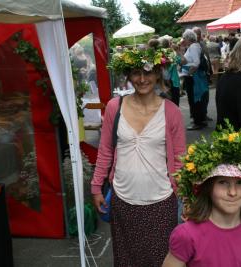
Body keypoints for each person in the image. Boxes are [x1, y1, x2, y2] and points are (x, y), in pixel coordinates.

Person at [91, 47, 187, 266]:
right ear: (128, 76)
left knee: (163, 259)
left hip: (162, 201)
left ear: (158, 74)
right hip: (123, 200)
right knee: (126, 260)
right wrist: (96, 187)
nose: (142, 79)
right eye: (136, 73)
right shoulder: (115, 107)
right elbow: (105, 150)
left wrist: (186, 194)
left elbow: (181, 157)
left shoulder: (171, 111)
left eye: (148, 72)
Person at [162, 124, 241, 267]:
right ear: (208, 187)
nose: (232, 192)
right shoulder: (186, 235)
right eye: (223, 182)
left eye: (240, 183)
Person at [175, 29, 209, 130]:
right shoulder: (193, 46)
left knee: (194, 99)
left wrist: (190, 72)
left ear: (188, 38)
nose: (183, 39)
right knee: (196, 98)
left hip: (193, 77)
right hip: (193, 76)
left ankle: (198, 122)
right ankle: (199, 120)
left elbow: (196, 63)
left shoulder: (193, 47)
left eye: (184, 38)